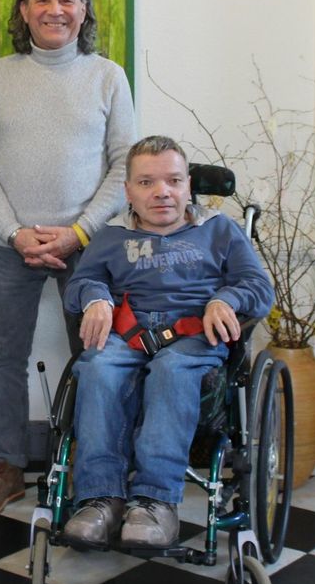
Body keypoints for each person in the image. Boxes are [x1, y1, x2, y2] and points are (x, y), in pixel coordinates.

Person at [0, 0, 136, 516]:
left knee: (96, 355)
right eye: (41, 0)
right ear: (23, 10)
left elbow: (123, 167)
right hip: (10, 246)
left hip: (87, 248)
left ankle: (95, 467)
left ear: (84, 10)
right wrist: (16, 233)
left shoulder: (108, 76)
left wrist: (78, 232)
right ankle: (7, 466)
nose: (54, 10)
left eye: (67, 0)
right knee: (5, 356)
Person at [62, 136, 274, 548]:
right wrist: (96, 299)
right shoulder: (110, 237)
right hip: (128, 335)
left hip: (193, 338)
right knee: (98, 368)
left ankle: (154, 502)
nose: (162, 192)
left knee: (171, 369)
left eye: (173, 180)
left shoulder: (219, 231)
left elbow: (257, 287)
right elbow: (82, 283)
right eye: (147, 182)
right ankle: (100, 499)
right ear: (128, 192)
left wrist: (223, 299)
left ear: (188, 185)